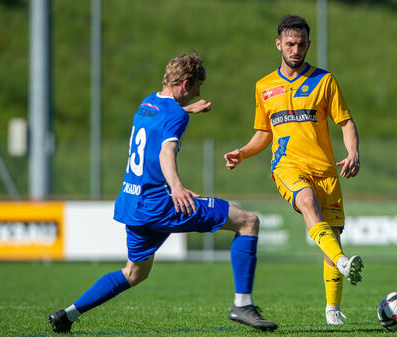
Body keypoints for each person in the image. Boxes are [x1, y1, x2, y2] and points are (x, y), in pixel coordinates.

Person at [48, 52, 277, 333]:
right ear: (185, 84)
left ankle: (67, 315)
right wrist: (177, 187)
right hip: (161, 204)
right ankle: (242, 304)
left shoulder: (148, 103)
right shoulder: (175, 116)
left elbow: (160, 124)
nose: (197, 94)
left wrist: (188, 110)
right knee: (248, 221)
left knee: (134, 273)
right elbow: (166, 150)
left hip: (133, 204)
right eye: (196, 88)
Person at [224, 15, 363, 326]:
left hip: (326, 170)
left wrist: (353, 152)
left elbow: (346, 122)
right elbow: (263, 133)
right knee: (306, 200)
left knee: (332, 237)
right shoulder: (264, 86)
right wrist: (244, 152)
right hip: (287, 165)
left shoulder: (325, 81)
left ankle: (333, 310)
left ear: (308, 45)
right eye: (290, 44)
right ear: (278, 45)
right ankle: (343, 262)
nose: (295, 49)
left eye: (301, 44)